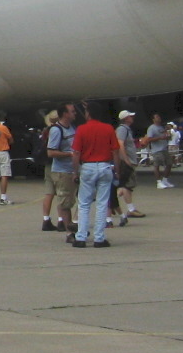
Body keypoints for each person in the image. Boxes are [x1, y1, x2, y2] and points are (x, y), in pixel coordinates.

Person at [69, 103, 118, 249]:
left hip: (88, 166)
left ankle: (81, 237)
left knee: (84, 203)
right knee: (102, 203)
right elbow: (115, 151)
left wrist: (75, 171)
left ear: (88, 114)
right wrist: (117, 169)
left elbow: (76, 152)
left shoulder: (82, 129)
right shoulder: (108, 128)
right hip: (104, 165)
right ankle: (99, 238)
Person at [41, 105, 78, 233]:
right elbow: (51, 152)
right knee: (64, 201)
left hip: (72, 169)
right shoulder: (56, 130)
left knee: (71, 199)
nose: (75, 114)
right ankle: (69, 231)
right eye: (72, 112)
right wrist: (70, 154)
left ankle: (69, 223)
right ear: (65, 114)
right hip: (62, 171)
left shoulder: (72, 128)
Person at [113, 110, 142, 226]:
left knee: (126, 185)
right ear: (126, 118)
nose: (132, 117)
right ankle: (130, 209)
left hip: (129, 160)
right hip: (127, 161)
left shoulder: (126, 129)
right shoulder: (122, 129)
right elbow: (120, 144)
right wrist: (126, 159)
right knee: (127, 185)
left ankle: (114, 200)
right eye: (130, 116)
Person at [147, 113, 176, 190]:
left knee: (169, 164)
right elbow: (149, 139)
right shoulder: (151, 128)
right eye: (157, 117)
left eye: (159, 116)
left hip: (164, 149)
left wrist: (168, 136)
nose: (159, 118)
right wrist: (159, 138)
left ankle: (165, 180)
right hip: (157, 150)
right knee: (157, 165)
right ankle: (158, 182)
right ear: (153, 119)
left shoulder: (162, 127)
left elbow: (166, 136)